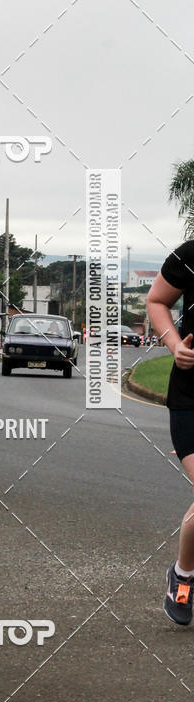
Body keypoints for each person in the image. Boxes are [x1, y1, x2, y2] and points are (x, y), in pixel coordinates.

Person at [148, 243, 194, 625]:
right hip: (191, 395)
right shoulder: (191, 254)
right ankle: (182, 576)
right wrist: (175, 345)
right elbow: (157, 301)